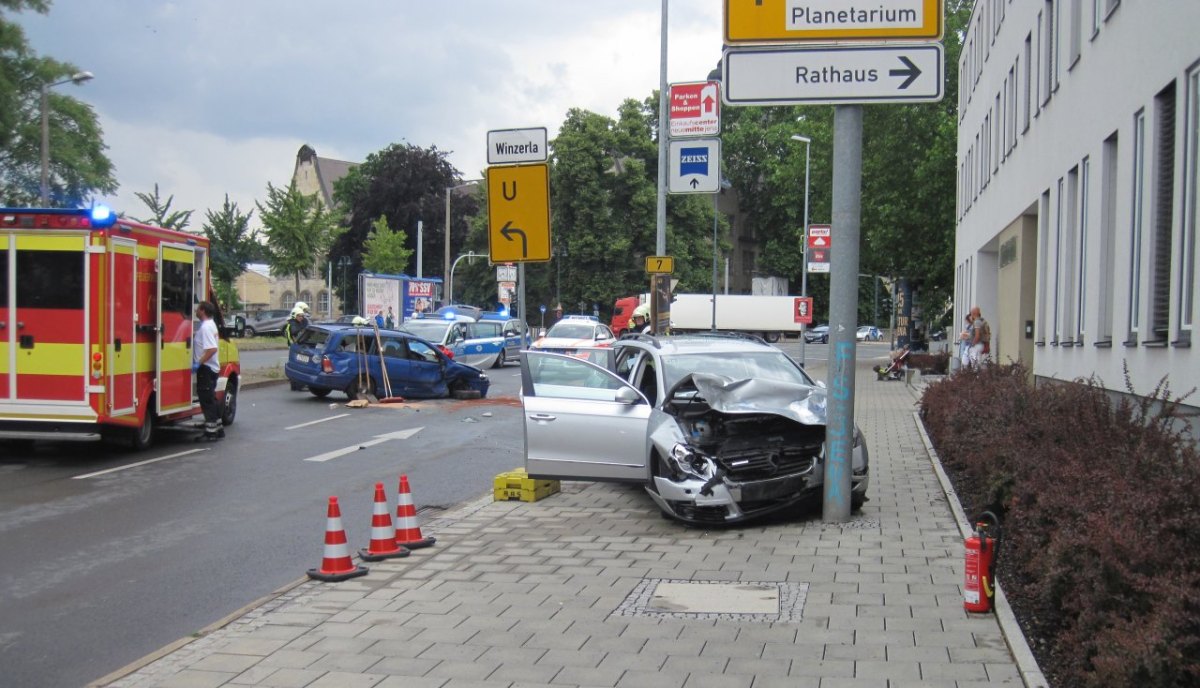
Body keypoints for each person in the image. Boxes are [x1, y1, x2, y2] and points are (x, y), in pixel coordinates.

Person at [193, 301, 223, 442]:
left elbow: (211, 349)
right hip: (212, 368)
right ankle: (218, 428)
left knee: (207, 400)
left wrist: (198, 363)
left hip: (206, 369)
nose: (196, 311)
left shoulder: (205, 328)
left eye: (198, 309)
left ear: (203, 310)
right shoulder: (211, 324)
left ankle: (211, 432)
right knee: (211, 398)